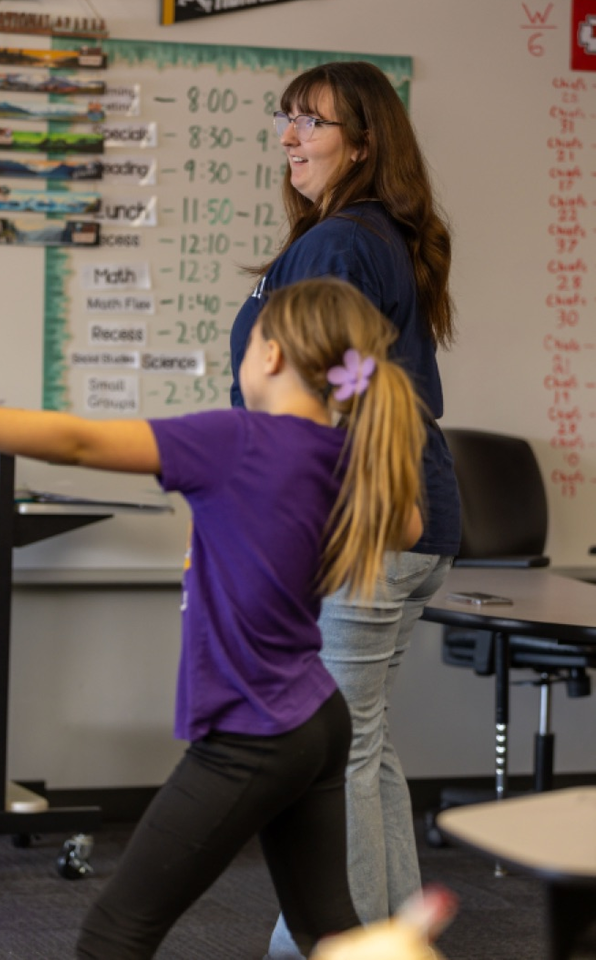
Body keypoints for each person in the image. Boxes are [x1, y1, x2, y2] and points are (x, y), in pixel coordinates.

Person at [0, 277, 426, 960]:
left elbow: (79, 442)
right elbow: (413, 524)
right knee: (329, 934)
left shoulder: (237, 439)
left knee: (113, 934)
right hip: (317, 719)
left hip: (258, 728)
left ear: (269, 355)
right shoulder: (346, 457)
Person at [229, 61, 462, 956]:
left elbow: (343, 389)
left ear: (363, 144)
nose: (288, 136)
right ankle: (392, 937)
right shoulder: (361, 238)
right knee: (361, 744)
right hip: (400, 512)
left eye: (312, 123)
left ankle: (335, 945)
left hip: (366, 518)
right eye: (284, 118)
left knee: (332, 755)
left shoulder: (338, 246)